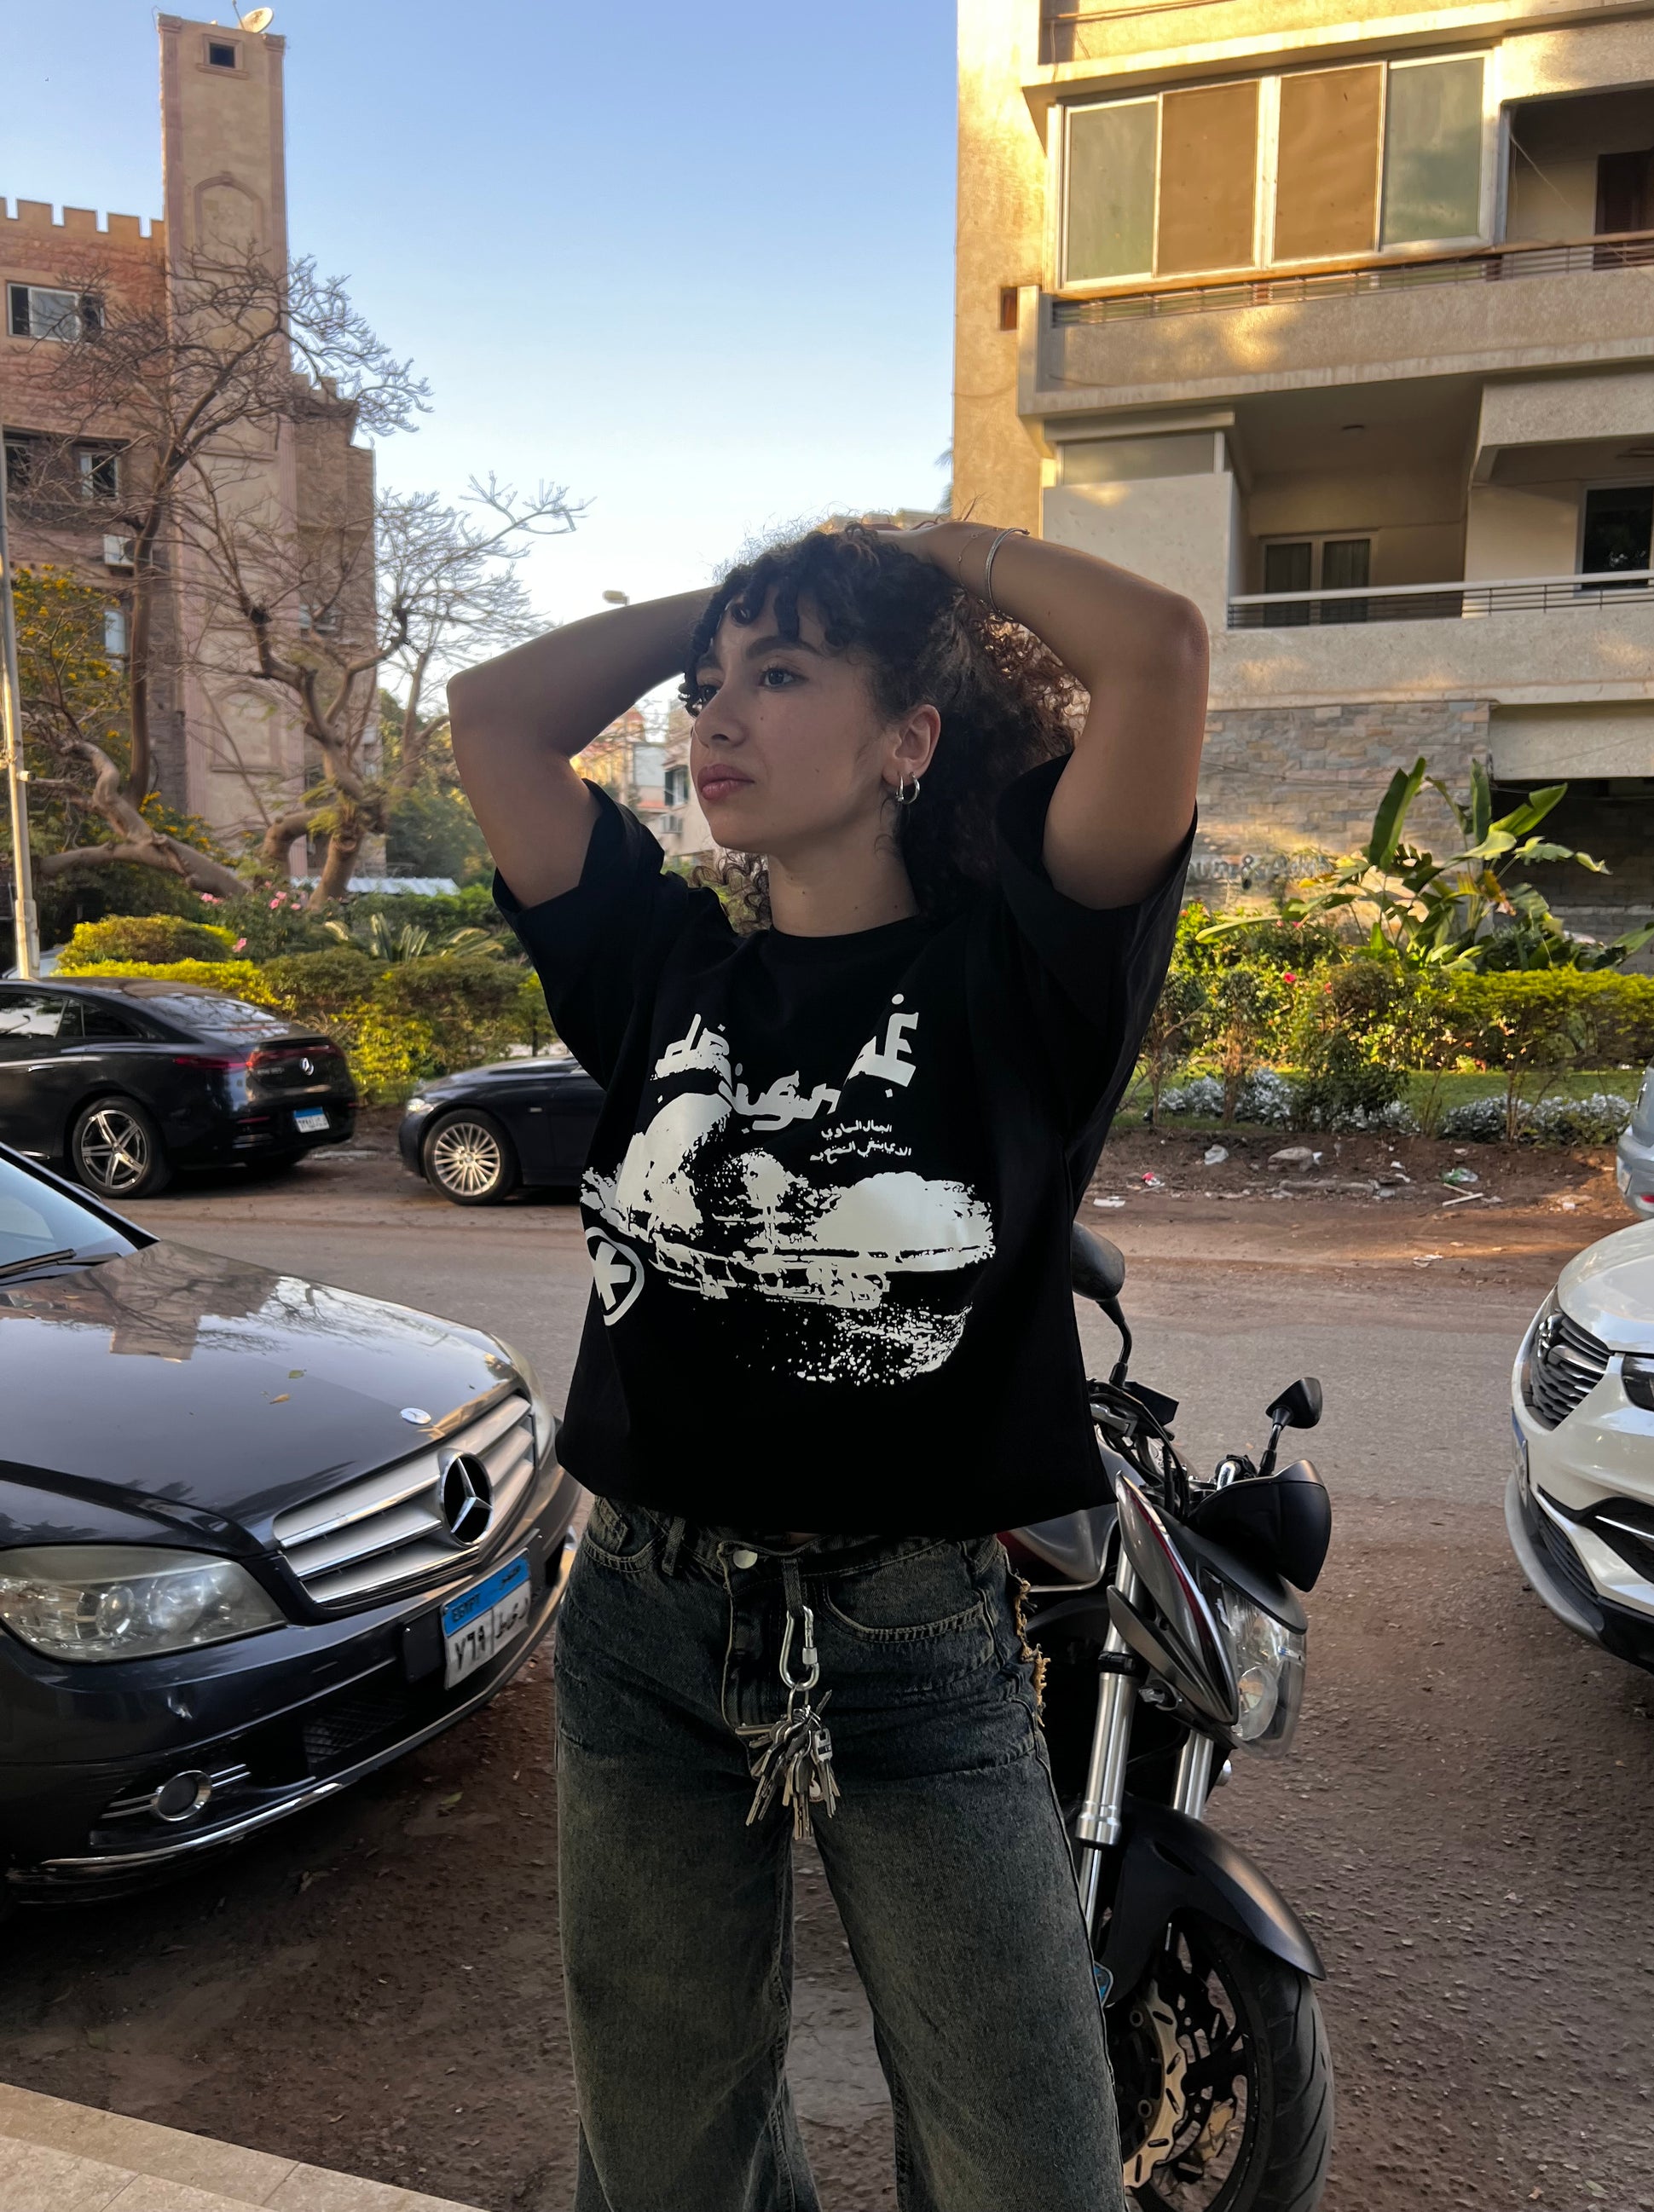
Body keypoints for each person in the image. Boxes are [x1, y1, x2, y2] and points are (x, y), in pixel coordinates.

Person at [448, 518, 1207, 2212]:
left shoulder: (1026, 968)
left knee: (1028, 2166)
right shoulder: (655, 968)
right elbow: (492, 714)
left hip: (910, 1635)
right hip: (642, 1618)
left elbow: (1155, 646)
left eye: (780, 677)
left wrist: (911, 555)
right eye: (705, 687)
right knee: (667, 2162)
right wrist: (742, 603)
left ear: (906, 739)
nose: (715, 717)